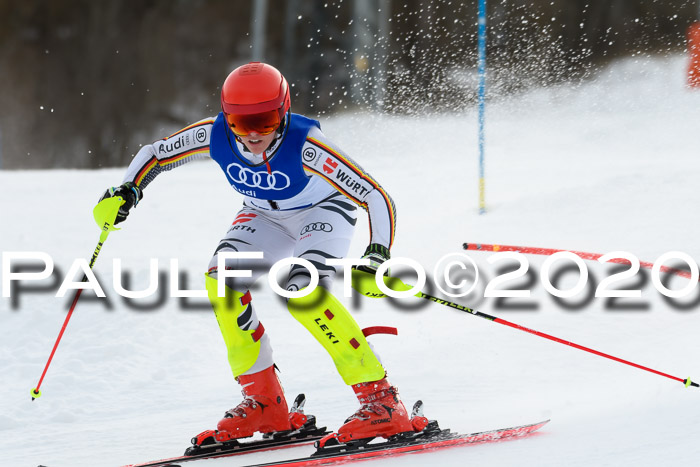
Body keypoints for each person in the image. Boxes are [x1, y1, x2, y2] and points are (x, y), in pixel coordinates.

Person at [100, 62, 414, 443]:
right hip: (263, 215)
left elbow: (375, 195)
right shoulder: (214, 134)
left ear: (283, 112)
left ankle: (381, 402)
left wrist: (377, 255)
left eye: (264, 121)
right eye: (238, 122)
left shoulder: (308, 145)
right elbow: (156, 153)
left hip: (322, 212)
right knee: (221, 283)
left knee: (301, 292)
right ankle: (266, 402)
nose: (251, 135)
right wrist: (126, 192)